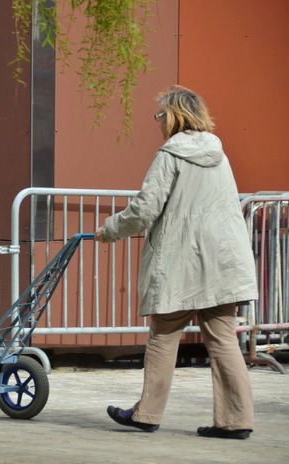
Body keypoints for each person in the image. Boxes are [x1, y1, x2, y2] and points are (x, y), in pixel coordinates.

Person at [95, 85, 257, 439]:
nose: (157, 122)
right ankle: (236, 420)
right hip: (224, 262)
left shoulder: (170, 155)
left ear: (173, 116)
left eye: (159, 115)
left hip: (182, 263)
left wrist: (108, 230)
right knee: (224, 340)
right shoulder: (219, 153)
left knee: (163, 335)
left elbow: (145, 209)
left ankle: (147, 413)